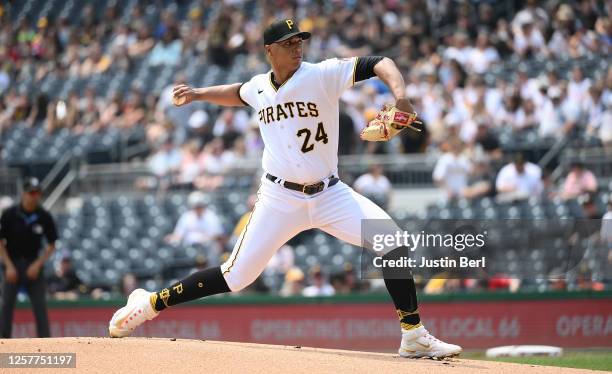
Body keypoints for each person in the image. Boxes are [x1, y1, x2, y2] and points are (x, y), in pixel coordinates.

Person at [108, 19, 461, 359]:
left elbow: (380, 62)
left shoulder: (322, 74)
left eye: (300, 41)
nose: (297, 48)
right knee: (236, 276)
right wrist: (199, 94)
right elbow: (237, 93)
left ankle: (413, 336)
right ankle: (149, 303)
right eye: (288, 43)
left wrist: (400, 96)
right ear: (269, 51)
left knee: (393, 241)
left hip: (329, 193)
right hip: (279, 197)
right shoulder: (259, 86)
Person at [0, 178, 58, 338]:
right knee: (6, 305)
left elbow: (52, 244)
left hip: (33, 264)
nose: (35, 196)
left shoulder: (44, 216)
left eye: (38, 193)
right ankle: (3, 342)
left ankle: (45, 343)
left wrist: (38, 264)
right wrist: (9, 266)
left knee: (40, 306)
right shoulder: (9, 214)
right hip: (12, 263)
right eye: (31, 192)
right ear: (23, 194)